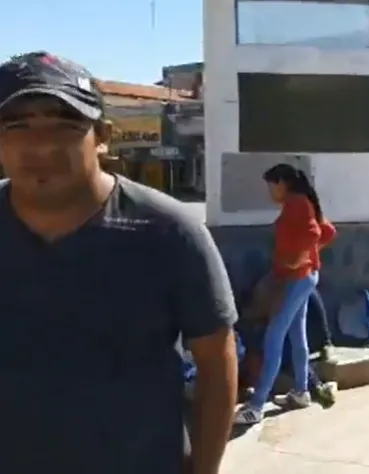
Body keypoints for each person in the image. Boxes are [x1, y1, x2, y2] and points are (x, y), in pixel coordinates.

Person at [0, 52, 239, 474]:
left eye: (65, 125)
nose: (41, 144)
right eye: (17, 126)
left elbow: (216, 361)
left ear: (102, 136)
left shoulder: (168, 232)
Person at [235, 163, 336, 424]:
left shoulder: (296, 203)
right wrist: (308, 258)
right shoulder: (303, 201)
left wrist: (297, 261)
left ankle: (257, 405)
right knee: (296, 334)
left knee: (274, 337)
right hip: (303, 277)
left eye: (271, 186)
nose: (269, 191)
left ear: (282, 182)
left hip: (296, 280)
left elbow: (315, 233)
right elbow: (327, 232)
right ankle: (301, 392)